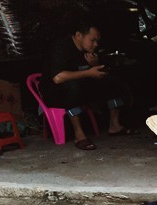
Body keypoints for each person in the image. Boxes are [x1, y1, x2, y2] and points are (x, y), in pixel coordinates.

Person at [41, 18, 133, 150]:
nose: (96, 44)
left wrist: (94, 65)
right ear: (79, 35)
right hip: (54, 93)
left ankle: (115, 126)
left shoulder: (88, 52)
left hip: (80, 89)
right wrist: (89, 73)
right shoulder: (61, 47)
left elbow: (96, 73)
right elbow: (58, 77)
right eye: (92, 40)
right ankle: (79, 135)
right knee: (72, 87)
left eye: (97, 41)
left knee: (112, 82)